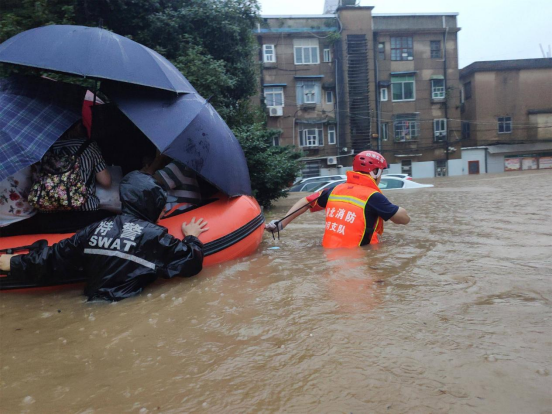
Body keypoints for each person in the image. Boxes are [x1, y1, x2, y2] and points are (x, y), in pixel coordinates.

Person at [0, 171, 208, 302]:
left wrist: (13, 262)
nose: (163, 211)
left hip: (89, 302)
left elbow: (54, 257)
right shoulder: (153, 236)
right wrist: (191, 237)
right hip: (127, 306)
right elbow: (191, 262)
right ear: (152, 204)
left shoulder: (94, 228)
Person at [265, 151, 410, 248]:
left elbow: (306, 201)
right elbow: (403, 219)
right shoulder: (374, 197)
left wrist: (281, 223)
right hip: (359, 260)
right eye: (381, 172)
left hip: (329, 254)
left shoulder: (334, 190)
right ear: (375, 172)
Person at [0, 121, 113, 236]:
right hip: (84, 213)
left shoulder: (43, 150)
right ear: (78, 126)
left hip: (47, 218)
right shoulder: (89, 146)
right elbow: (106, 182)